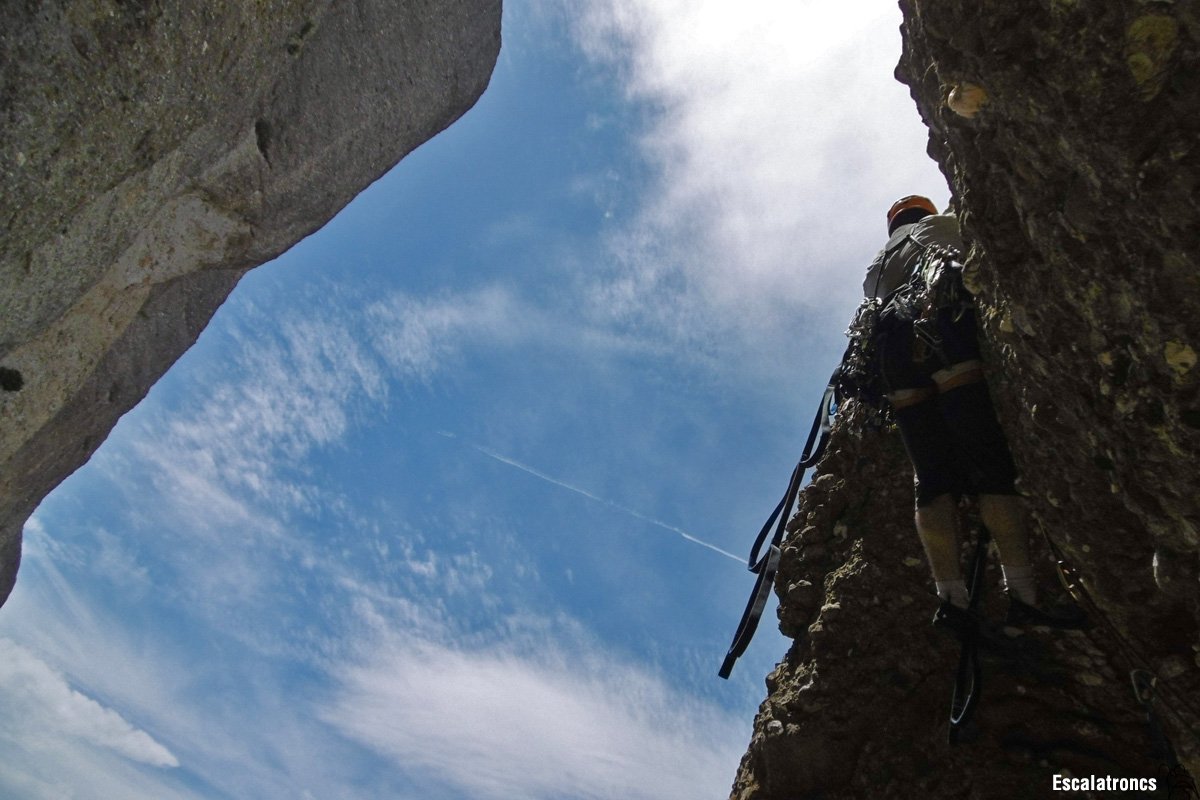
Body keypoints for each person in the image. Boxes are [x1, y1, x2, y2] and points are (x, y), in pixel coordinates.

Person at [865, 195, 1086, 633]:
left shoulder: (876, 268)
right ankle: (1023, 597)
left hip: (890, 351)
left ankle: (951, 599)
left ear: (892, 225)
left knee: (931, 479)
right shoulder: (935, 228)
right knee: (989, 464)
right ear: (925, 213)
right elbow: (978, 240)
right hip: (938, 329)